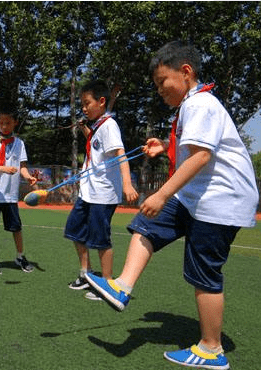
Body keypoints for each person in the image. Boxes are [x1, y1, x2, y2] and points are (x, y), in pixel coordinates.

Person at [85, 41, 259, 370]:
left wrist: (162, 193)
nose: (160, 90)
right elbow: (198, 149)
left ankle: (211, 349)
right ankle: (121, 286)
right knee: (147, 224)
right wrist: (166, 146)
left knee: (203, 272)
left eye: (163, 81)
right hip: (197, 194)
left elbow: (203, 156)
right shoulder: (191, 107)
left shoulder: (201, 104)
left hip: (218, 199)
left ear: (186, 72)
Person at [65, 80, 138, 300]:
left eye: (87, 103)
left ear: (101, 102)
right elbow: (96, 145)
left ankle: (107, 284)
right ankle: (86, 274)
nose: (84, 108)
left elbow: (120, 154)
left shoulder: (109, 126)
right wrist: (84, 128)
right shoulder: (97, 126)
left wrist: (127, 184)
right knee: (75, 230)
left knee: (100, 239)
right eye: (82, 104)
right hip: (87, 192)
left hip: (103, 195)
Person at [0, 103, 37, 275]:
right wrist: (3, 169)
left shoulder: (19, 143)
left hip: (10, 195)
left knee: (16, 227)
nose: (4, 126)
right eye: (1, 123)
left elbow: (22, 167)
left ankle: (20, 256)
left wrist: (28, 177)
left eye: (8, 123)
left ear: (15, 123)